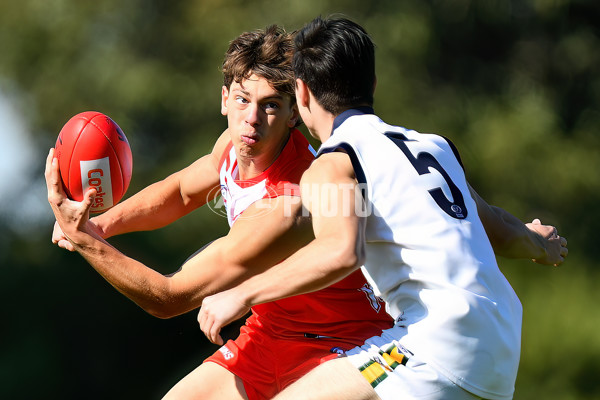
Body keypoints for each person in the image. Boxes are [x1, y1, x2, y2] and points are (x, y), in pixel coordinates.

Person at [197, 17, 569, 400]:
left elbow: (340, 252)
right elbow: (498, 226)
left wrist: (242, 294)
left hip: (432, 345)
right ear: (371, 85)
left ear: (302, 93)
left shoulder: (334, 162)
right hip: (501, 349)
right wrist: (541, 244)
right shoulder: (433, 147)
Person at [45, 25, 396, 400]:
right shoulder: (234, 142)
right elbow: (180, 192)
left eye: (271, 105)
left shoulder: (290, 200)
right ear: (225, 99)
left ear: (294, 113)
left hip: (342, 344)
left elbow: (168, 297)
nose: (252, 118)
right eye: (244, 100)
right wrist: (99, 224)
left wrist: (84, 239)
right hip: (268, 335)